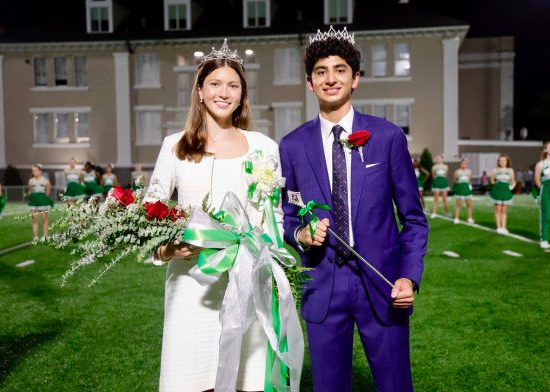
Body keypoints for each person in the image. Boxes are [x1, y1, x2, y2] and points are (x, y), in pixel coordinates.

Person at [279, 26, 428, 392]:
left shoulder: (388, 136)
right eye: (321, 72)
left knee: (395, 385)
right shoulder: (291, 146)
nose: (331, 78)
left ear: (356, 78)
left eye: (340, 69)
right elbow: (289, 215)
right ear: (310, 83)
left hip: (383, 284)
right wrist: (301, 234)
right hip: (323, 288)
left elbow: (413, 218)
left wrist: (409, 276)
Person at [144, 39, 282, 392]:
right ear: (200, 92)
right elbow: (151, 217)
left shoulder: (264, 147)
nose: (224, 92)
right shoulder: (174, 146)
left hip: (247, 282)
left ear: (242, 94)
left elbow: (275, 216)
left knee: (245, 379)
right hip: (191, 283)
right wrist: (168, 249)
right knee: (190, 378)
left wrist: (270, 256)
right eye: (215, 84)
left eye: (233, 85)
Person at [489, 154, 515, 234]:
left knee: (504, 210)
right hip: (498, 191)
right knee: (498, 209)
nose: (502, 162)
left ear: (507, 161)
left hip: (506, 191)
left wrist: (511, 186)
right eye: (500, 160)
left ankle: (504, 227)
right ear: (498, 162)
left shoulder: (510, 170)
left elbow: (512, 181)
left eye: (504, 160)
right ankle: (498, 227)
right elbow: (492, 181)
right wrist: (497, 184)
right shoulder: (495, 170)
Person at [27, 164, 53, 241]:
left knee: (44, 219)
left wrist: (43, 199)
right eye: (33, 171)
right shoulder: (30, 181)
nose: (34, 172)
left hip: (43, 202)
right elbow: (30, 190)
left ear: (40, 171)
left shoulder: (45, 180)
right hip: (33, 202)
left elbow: (48, 192)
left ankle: (45, 236)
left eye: (36, 170)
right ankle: (35, 236)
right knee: (34, 219)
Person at [452, 158, 474, 224]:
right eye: (462, 163)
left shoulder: (469, 171)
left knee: (469, 204)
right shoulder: (457, 171)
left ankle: (470, 218)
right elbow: (455, 180)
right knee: (458, 204)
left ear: (466, 164)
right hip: (460, 189)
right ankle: (456, 218)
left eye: (465, 163)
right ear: (460, 164)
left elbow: (470, 180)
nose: (464, 164)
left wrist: (469, 186)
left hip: (467, 189)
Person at [430, 153, 450, 218]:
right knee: (436, 199)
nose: (439, 159)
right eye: (437, 158)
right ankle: (434, 213)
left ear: (442, 159)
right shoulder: (434, 167)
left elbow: (446, 175)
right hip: (436, 184)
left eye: (440, 158)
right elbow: (433, 176)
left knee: (445, 199)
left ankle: (446, 213)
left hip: (444, 184)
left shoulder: (446, 166)